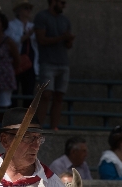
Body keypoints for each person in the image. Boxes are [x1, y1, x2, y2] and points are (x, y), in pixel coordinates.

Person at [34, 0, 73, 130]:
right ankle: (38, 127)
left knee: (59, 97)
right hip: (47, 62)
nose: (64, 5)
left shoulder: (65, 20)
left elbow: (68, 45)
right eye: (62, 2)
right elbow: (41, 39)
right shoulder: (42, 17)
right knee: (46, 95)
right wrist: (62, 37)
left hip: (63, 62)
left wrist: (68, 40)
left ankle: (54, 127)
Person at [5, 1, 37, 108]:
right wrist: (28, 35)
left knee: (28, 93)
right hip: (15, 62)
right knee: (13, 93)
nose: (28, 11)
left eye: (29, 8)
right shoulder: (11, 25)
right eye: (25, 8)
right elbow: (12, 42)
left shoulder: (32, 26)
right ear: (18, 11)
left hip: (30, 64)